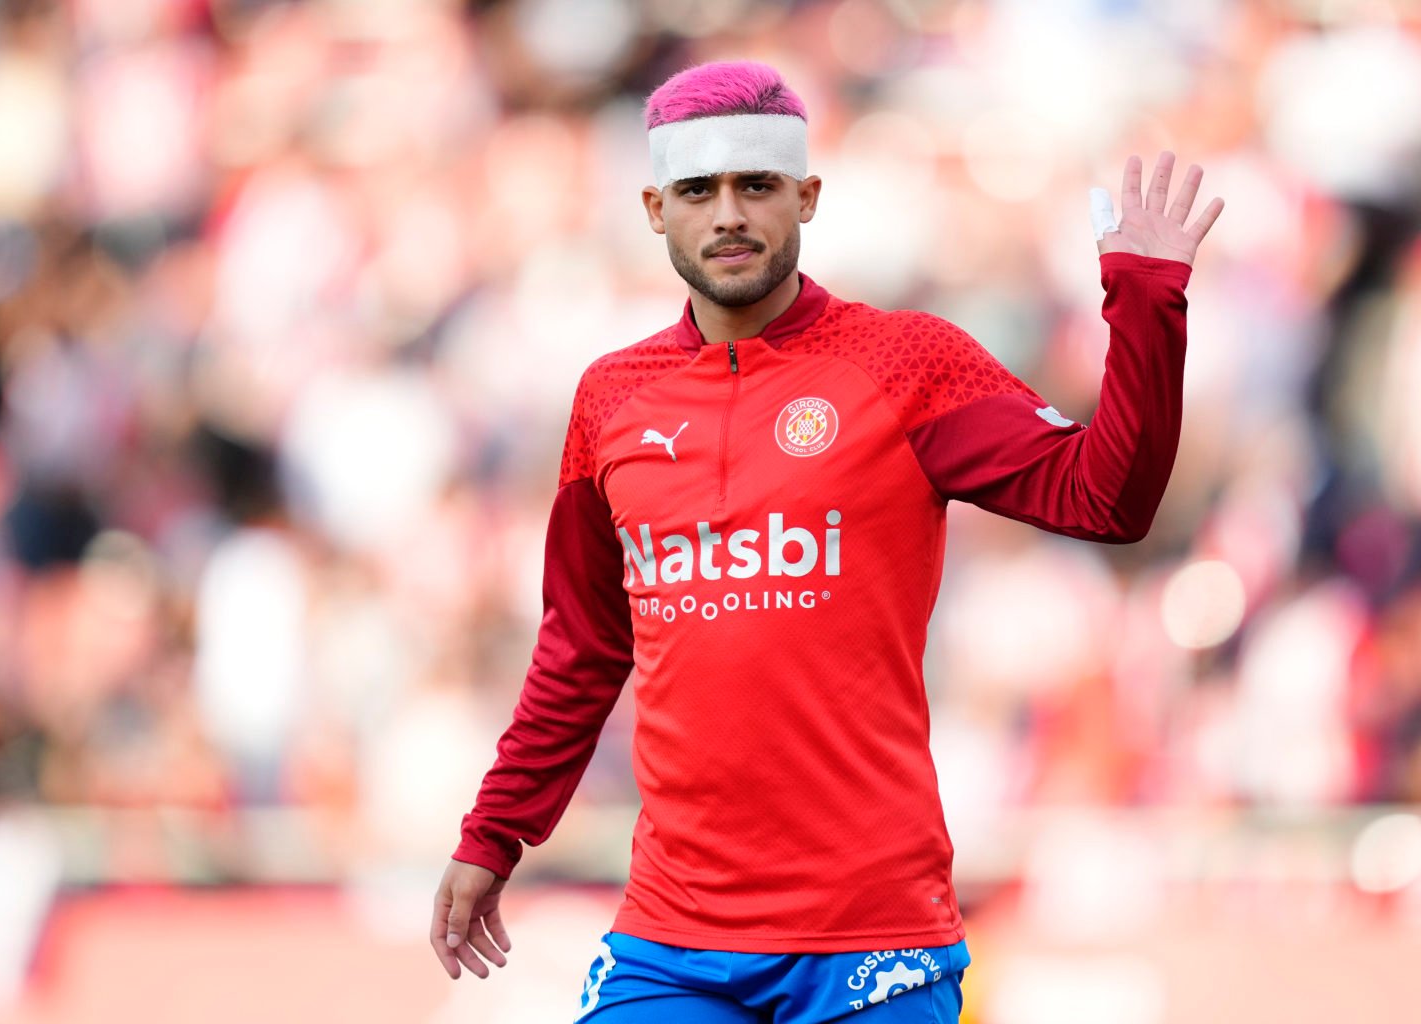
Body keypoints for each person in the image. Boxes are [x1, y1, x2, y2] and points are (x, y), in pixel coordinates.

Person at [430, 60, 1223, 1023]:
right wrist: (492, 836)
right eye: (698, 190)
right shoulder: (609, 399)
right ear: (654, 208)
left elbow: (1107, 499)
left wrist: (1145, 300)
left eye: (756, 186)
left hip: (871, 935)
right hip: (673, 939)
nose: (728, 214)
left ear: (805, 195)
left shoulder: (906, 363)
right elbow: (581, 649)